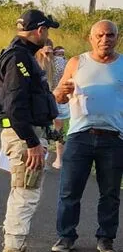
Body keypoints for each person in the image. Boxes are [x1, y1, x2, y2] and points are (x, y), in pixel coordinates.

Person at [0, 9, 60, 252]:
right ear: (40, 30)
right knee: (25, 195)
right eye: (47, 31)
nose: (48, 36)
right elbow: (15, 105)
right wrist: (32, 142)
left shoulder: (18, 55)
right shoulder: (19, 59)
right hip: (23, 137)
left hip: (21, 135)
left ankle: (17, 250)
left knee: (22, 193)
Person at [51, 20, 123, 252]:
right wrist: (62, 92)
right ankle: (66, 236)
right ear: (91, 38)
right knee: (70, 190)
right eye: (100, 35)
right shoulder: (76, 62)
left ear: (117, 37)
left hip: (113, 137)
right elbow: (59, 97)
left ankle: (106, 239)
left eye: (110, 35)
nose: (105, 40)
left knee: (110, 193)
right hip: (80, 135)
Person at [35, 40, 70, 169]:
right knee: (58, 130)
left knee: (43, 130)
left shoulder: (34, 61)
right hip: (57, 99)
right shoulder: (60, 62)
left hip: (43, 100)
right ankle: (59, 160)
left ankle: (44, 160)